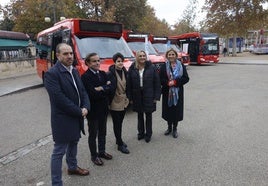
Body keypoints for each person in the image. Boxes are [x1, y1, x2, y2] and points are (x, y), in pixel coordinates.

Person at [44, 43, 90, 186]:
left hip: (76, 116)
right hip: (63, 119)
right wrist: (79, 111)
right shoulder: (52, 74)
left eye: (71, 53)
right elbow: (59, 99)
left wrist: (86, 106)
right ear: (57, 55)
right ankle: (56, 183)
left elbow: (82, 91)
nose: (69, 56)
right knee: (59, 151)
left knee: (74, 142)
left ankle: (72, 167)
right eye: (65, 54)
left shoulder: (74, 70)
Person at [81, 52, 113, 166]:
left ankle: (102, 151)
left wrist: (101, 88)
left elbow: (111, 88)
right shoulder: (85, 77)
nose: (97, 63)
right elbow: (92, 94)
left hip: (103, 109)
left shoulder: (103, 74)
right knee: (93, 134)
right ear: (88, 63)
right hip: (93, 111)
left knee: (103, 132)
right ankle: (94, 156)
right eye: (94, 61)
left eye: (98, 60)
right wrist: (104, 88)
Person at [127, 50, 161, 143]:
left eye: (143, 56)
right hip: (137, 95)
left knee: (148, 115)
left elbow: (157, 83)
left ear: (146, 57)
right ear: (137, 57)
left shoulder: (151, 67)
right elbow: (128, 84)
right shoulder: (132, 67)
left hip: (149, 94)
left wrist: (156, 97)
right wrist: (130, 98)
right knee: (139, 115)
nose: (142, 57)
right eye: (140, 56)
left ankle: (148, 134)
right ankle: (141, 133)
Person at [159, 48, 189, 138]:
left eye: (173, 54)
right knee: (168, 110)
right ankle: (169, 128)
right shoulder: (163, 66)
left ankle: (175, 128)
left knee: (176, 110)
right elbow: (160, 79)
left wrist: (175, 82)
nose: (171, 56)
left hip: (177, 92)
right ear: (167, 56)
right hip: (167, 92)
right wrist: (168, 83)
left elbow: (186, 78)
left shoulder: (181, 66)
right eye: (169, 55)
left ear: (176, 56)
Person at [107, 52, 130, 154]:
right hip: (115, 101)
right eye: (118, 61)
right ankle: (120, 144)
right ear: (114, 62)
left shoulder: (125, 72)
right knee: (117, 124)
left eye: (122, 61)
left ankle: (118, 139)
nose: (120, 63)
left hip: (124, 100)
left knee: (120, 122)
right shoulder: (110, 73)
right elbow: (106, 87)